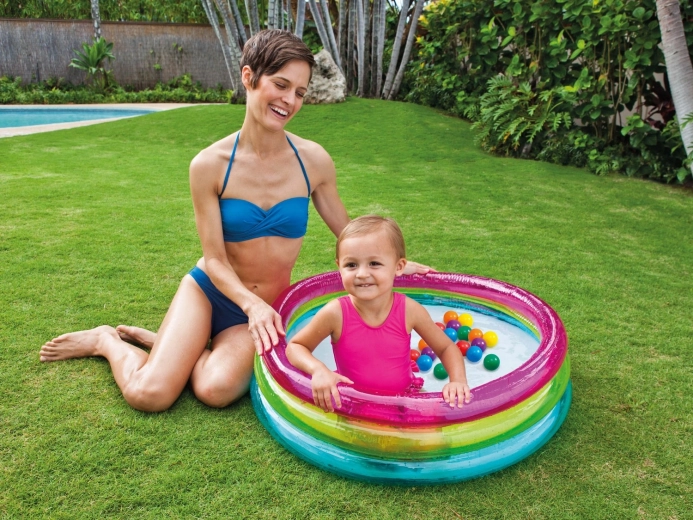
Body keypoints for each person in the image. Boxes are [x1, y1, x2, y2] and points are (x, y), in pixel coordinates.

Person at [39, 30, 430, 412]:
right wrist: (250, 305)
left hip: (268, 304)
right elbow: (214, 260)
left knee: (215, 389)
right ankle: (106, 341)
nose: (289, 100)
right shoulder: (209, 165)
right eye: (281, 85)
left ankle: (170, 345)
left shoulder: (313, 161)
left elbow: (348, 232)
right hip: (210, 292)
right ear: (248, 77)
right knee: (149, 395)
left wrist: (388, 261)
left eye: (299, 92)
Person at [286, 215, 471, 413]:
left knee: (434, 427)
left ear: (399, 267)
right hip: (353, 402)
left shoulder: (409, 310)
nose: (362, 274)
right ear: (339, 266)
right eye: (351, 265)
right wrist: (318, 369)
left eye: (374, 263)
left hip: (404, 399)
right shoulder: (335, 313)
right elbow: (295, 347)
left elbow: (446, 347)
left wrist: (458, 380)